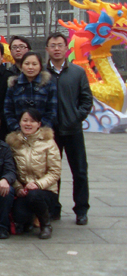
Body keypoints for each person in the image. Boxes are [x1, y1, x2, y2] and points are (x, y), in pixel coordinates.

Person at [46, 32, 93, 224]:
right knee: (52, 172)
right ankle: (53, 208)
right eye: (53, 45)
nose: (56, 49)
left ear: (66, 48)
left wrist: (76, 117)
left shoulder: (77, 72)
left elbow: (86, 99)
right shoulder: (42, 73)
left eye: (60, 45)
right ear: (47, 49)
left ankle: (81, 209)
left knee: (79, 171)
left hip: (73, 130)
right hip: (51, 132)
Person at [7, 109, 62, 239]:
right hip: (24, 190)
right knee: (19, 217)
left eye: (32, 121)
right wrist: (18, 188)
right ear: (20, 122)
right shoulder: (13, 144)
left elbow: (55, 172)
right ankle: (29, 219)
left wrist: (38, 184)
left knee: (34, 196)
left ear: (39, 124)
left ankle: (45, 224)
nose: (28, 124)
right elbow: (10, 170)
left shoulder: (48, 142)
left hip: (45, 190)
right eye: (25, 120)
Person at [4, 52, 57, 133]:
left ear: (40, 66)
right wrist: (18, 129)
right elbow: (8, 111)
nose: (30, 67)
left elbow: (52, 112)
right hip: (18, 134)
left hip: (42, 134)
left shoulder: (48, 85)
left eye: (34, 64)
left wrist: (39, 130)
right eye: (27, 64)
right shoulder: (14, 85)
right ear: (21, 66)